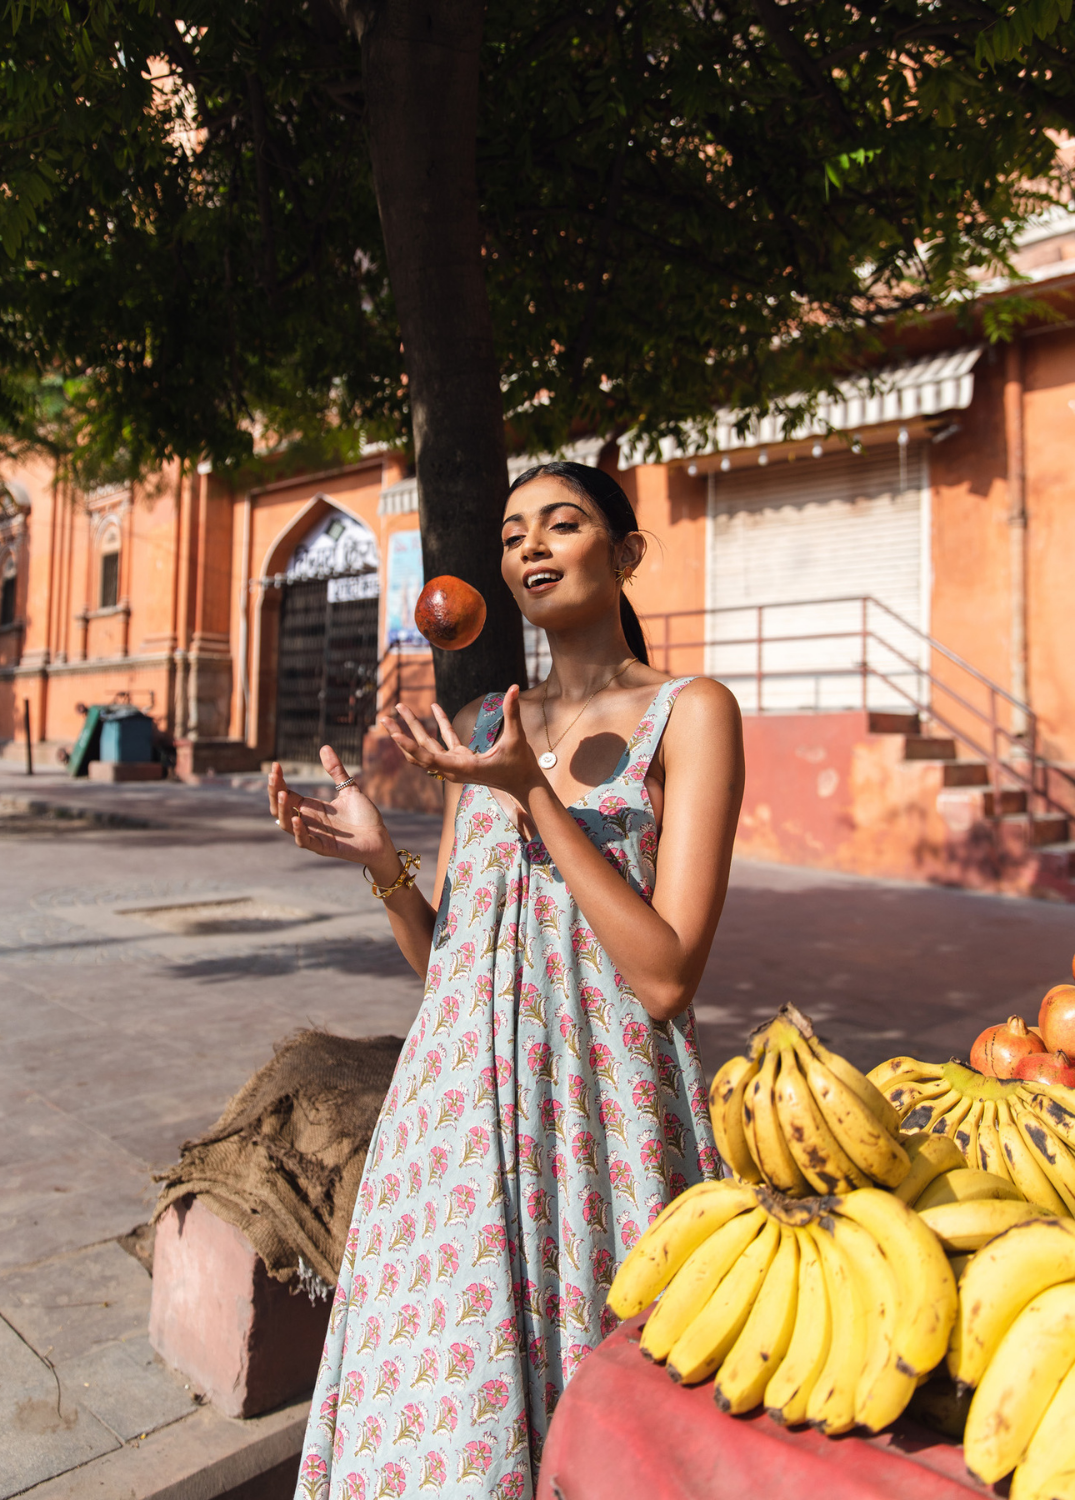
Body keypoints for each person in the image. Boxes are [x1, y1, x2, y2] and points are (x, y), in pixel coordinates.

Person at [272, 461, 744, 1500]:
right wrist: (379, 860)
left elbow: (666, 978)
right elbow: (450, 963)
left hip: (601, 1126)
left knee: (598, 1436)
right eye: (512, 531)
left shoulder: (691, 712)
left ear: (623, 555)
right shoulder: (486, 724)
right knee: (439, 1427)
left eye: (562, 524)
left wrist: (536, 794)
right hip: (451, 1132)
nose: (530, 546)